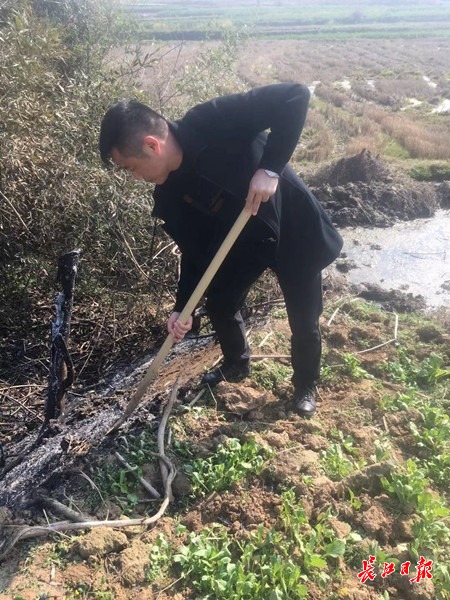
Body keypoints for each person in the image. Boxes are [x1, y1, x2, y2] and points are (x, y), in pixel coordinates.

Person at [99, 83, 343, 417]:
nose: (135, 177)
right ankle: (236, 364)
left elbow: (294, 96)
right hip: (242, 245)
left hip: (289, 226)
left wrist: (270, 168)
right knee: (220, 302)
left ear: (152, 145)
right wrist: (182, 308)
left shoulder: (213, 121)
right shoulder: (168, 196)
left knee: (304, 318)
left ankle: (305, 384)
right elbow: (194, 252)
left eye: (131, 168)